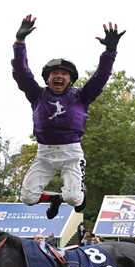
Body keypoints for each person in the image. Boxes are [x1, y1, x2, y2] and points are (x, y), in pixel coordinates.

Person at [12, 14, 126, 219]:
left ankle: (77, 194)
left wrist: (110, 51)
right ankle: (55, 199)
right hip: (44, 154)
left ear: (70, 80)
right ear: (47, 78)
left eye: (64, 74)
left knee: (75, 199)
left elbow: (101, 77)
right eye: (54, 73)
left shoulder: (82, 96)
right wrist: (19, 43)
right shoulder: (37, 95)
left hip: (71, 154)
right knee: (27, 197)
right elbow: (21, 73)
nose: (59, 76)